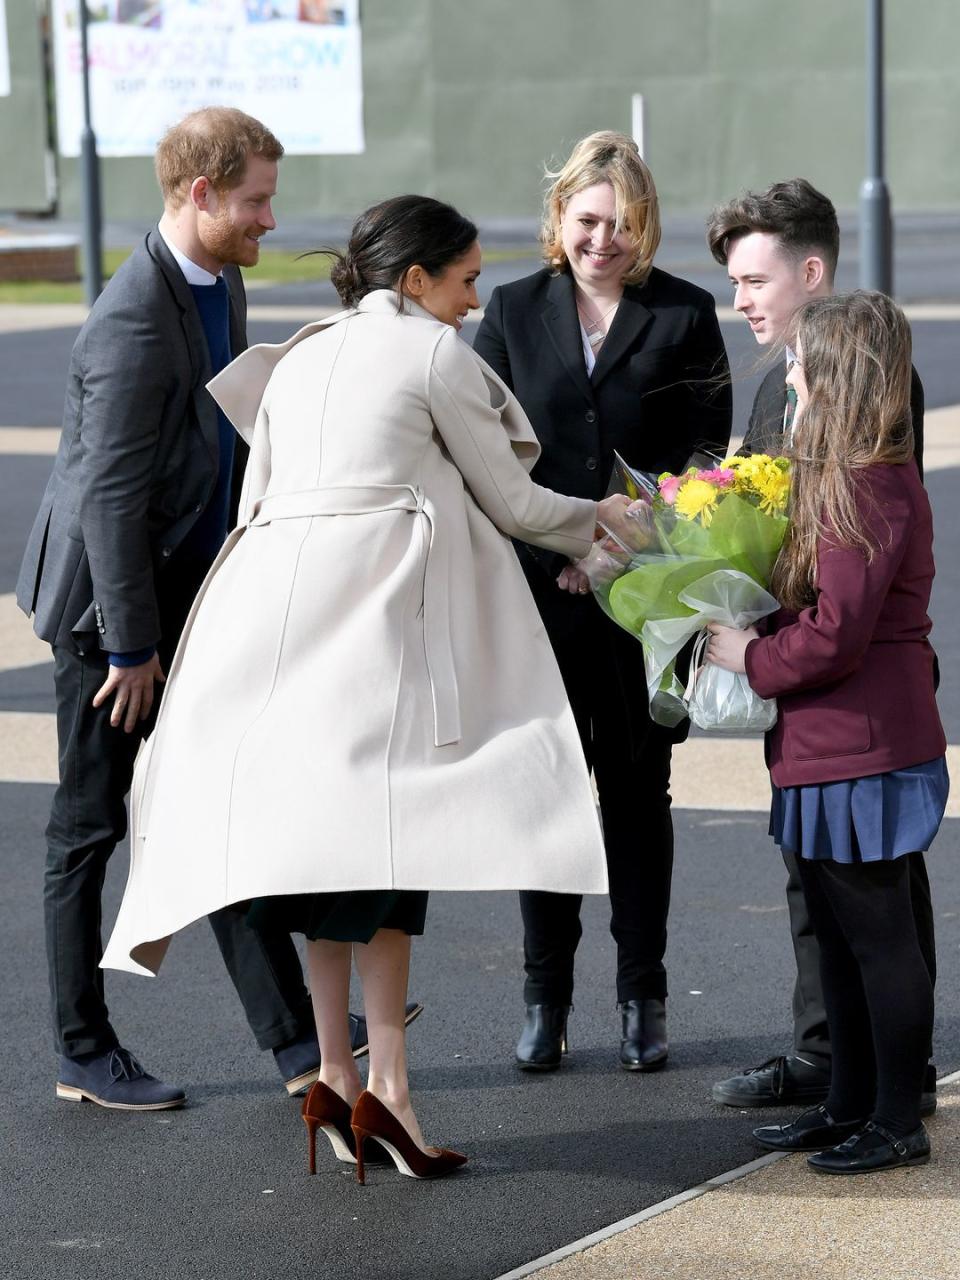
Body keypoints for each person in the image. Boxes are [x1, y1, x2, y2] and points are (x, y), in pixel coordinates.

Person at [100, 194, 631, 1179]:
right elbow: (517, 503)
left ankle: (334, 1076)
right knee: (389, 859)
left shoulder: (299, 356)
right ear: (417, 279)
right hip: (382, 629)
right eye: (466, 280)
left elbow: (254, 501)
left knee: (322, 863)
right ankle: (389, 1084)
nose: (474, 301)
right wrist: (615, 520)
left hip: (274, 635)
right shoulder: (432, 354)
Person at [15, 107, 415, 1112]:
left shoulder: (217, 279)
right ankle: (81, 1048)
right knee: (87, 827)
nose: (269, 219)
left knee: (224, 805)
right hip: (111, 622)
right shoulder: (128, 320)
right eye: (255, 199)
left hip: (180, 602)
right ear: (198, 193)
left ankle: (293, 1041)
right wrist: (132, 644)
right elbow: (106, 494)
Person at [473, 131, 731, 1073]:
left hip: (639, 604)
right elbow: (489, 457)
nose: (604, 240)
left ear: (646, 225)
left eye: (623, 224)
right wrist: (566, 544)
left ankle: (642, 996)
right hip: (539, 601)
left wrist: (616, 551)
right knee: (545, 801)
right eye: (588, 220)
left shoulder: (687, 315)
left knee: (636, 800)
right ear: (559, 219)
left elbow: (708, 465)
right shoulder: (507, 310)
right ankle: (546, 998)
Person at [705, 179, 935, 1115]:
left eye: (754, 279)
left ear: (812, 273)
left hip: (855, 705)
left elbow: (851, 589)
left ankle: (889, 1090)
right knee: (825, 905)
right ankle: (839, 1075)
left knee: (875, 909)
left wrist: (753, 654)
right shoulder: (778, 391)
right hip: (811, 710)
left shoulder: (868, 420)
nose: (742, 301)